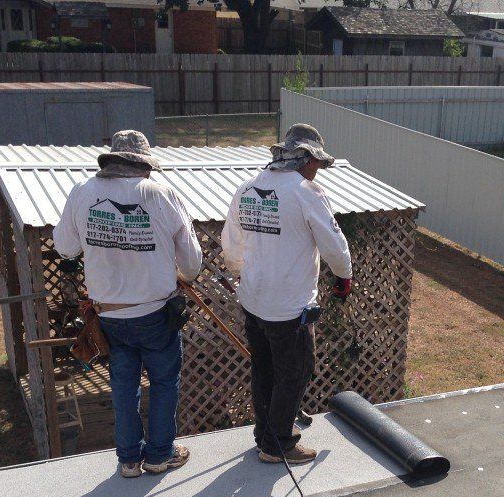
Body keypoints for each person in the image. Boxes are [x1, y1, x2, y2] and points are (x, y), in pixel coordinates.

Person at [53, 130, 203, 478]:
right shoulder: (159, 193)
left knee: (123, 385)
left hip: (110, 315)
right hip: (154, 314)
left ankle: (128, 460)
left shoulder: (82, 192)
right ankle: (160, 455)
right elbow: (192, 262)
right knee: (164, 382)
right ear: (143, 164)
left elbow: (65, 248)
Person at [221, 123, 353, 465]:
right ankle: (278, 443)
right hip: (289, 307)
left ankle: (263, 434)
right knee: (296, 371)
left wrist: (245, 275)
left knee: (263, 370)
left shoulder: (248, 188)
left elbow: (232, 245)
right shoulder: (305, 192)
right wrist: (344, 278)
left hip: (253, 301)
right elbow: (335, 246)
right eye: (317, 164)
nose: (318, 171)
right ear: (306, 158)